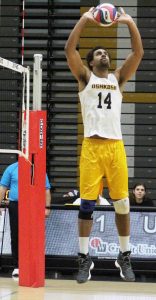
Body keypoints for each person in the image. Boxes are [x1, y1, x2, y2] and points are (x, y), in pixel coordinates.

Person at [64, 6, 143, 284]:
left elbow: (137, 54)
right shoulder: (85, 78)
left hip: (115, 148)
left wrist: (130, 23)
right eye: (99, 53)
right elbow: (69, 50)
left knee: (122, 204)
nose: (104, 54)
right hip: (92, 148)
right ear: (90, 61)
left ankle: (125, 255)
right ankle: (84, 258)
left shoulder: (117, 78)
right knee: (87, 204)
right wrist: (84, 19)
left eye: (106, 53)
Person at [0, 161, 51, 279]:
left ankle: (33, 265)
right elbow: (2, 187)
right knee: (16, 235)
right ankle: (17, 266)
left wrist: (47, 207)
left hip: (34, 206)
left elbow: (46, 189)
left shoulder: (38, 170)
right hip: (15, 205)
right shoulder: (12, 168)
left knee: (34, 236)